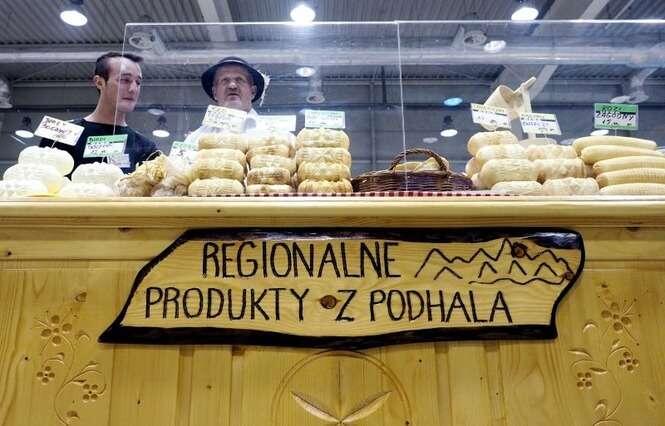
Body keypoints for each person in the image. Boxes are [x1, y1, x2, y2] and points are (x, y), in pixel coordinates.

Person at [40, 52, 157, 173]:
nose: (133, 89)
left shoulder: (146, 148)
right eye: (124, 80)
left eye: (138, 82)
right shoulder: (61, 134)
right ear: (99, 82)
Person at [184, 57, 267, 145]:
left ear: (253, 92)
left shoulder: (270, 133)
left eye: (239, 80)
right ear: (215, 93)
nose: (232, 86)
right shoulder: (195, 139)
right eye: (225, 81)